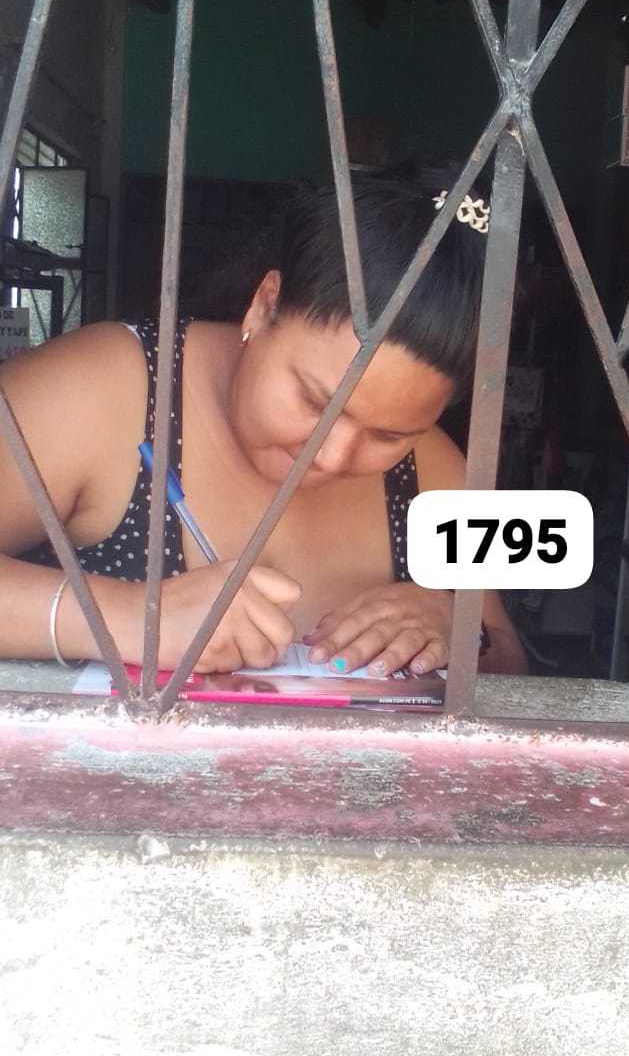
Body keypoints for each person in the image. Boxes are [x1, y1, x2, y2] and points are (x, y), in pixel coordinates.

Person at [0, 174, 527, 680]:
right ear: (264, 305)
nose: (332, 455)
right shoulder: (101, 386)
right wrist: (123, 616)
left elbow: (512, 660)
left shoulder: (436, 470)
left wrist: (459, 632)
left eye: (389, 435)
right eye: (317, 402)